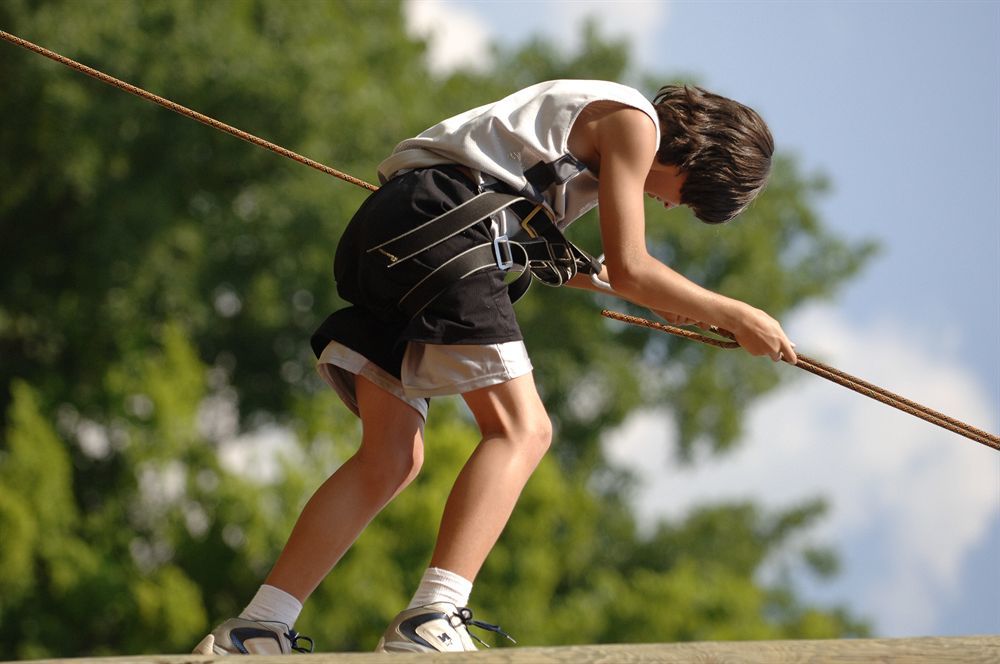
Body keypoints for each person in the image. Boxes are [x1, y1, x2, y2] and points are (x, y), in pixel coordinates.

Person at [194, 79, 797, 655]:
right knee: (523, 430)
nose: (666, 203)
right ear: (697, 156)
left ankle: (258, 627)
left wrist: (693, 311)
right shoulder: (634, 122)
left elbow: (586, 263)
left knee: (391, 457)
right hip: (446, 228)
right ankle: (434, 614)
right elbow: (634, 266)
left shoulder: (582, 148)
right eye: (686, 195)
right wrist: (739, 313)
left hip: (395, 234)